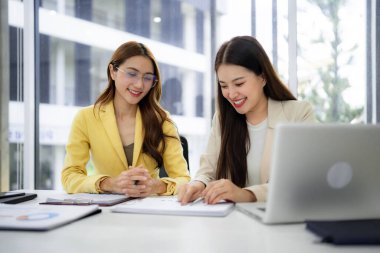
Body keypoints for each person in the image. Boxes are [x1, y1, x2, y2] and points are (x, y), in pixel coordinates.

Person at [178, 36, 316, 204]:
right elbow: (208, 170)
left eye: (239, 83)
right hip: (233, 223)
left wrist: (246, 194)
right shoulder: (223, 118)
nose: (231, 94)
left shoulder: (298, 114)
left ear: (263, 77)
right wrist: (198, 184)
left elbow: (299, 181)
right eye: (224, 86)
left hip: (282, 220)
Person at [62, 41, 190, 197]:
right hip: (106, 212)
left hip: (150, 209)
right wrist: (109, 183)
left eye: (147, 78)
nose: (139, 85)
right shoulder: (86, 118)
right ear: (113, 71)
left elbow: (183, 180)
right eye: (132, 73)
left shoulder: (162, 120)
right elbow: (70, 176)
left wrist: (156, 186)